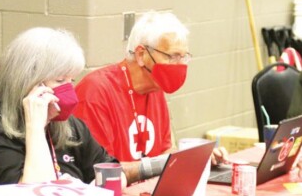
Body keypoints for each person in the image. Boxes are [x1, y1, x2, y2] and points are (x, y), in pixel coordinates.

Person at [0, 27, 128, 196]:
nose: (69, 91)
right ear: (28, 83)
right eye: (59, 81)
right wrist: (35, 126)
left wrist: (92, 194)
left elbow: (113, 173)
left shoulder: (71, 127)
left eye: (72, 81)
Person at [73, 11, 228, 184]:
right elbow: (101, 172)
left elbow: (164, 153)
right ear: (141, 55)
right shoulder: (95, 92)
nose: (180, 65)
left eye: (184, 57)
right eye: (172, 56)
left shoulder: (155, 87)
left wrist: (196, 157)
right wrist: (156, 165)